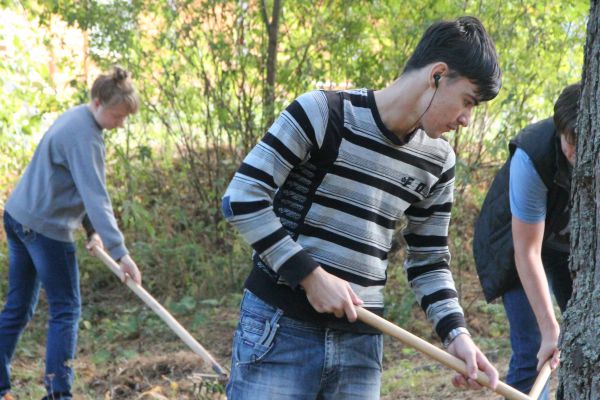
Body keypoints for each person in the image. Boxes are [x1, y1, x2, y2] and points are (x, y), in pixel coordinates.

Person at [222, 16, 502, 399]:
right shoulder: (323, 114)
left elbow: (429, 259)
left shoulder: (438, 161)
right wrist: (310, 276)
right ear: (438, 75)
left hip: (363, 346)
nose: (467, 119)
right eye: (468, 101)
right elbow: (242, 196)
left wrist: (457, 334)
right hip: (279, 329)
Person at [0, 66, 142, 400]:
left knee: (18, 307)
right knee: (66, 309)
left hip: (18, 216)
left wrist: (92, 230)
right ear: (98, 103)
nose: (121, 123)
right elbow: (96, 196)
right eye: (118, 115)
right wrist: (122, 254)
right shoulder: (86, 137)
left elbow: (74, 183)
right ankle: (58, 394)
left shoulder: (77, 117)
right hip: (44, 229)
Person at [473, 83, 581, 398]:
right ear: (560, 130)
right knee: (535, 343)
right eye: (568, 141)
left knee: (588, 328)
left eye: (582, 143)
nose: (573, 153)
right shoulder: (533, 154)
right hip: (514, 243)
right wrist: (550, 327)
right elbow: (527, 251)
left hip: (564, 243)